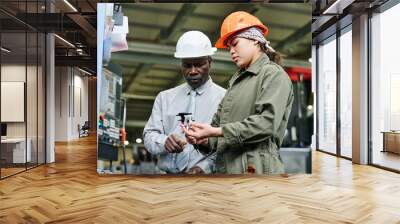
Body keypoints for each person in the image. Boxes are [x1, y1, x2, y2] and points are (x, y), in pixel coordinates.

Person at [182, 11, 294, 175]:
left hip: (258, 170)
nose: (231, 51)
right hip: (227, 169)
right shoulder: (235, 82)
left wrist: (216, 131)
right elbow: (218, 130)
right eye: (229, 48)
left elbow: (266, 123)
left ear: (255, 40)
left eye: (235, 44)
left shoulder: (273, 75)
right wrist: (203, 138)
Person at [143, 31, 226, 174]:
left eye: (199, 64)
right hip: (167, 181)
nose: (193, 71)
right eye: (187, 65)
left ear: (210, 62)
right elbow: (149, 135)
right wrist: (164, 142)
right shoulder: (165, 98)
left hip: (207, 181)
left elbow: (228, 143)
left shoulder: (225, 99)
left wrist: (204, 168)